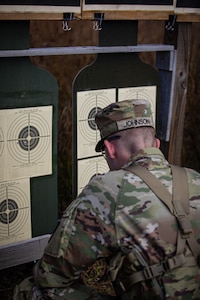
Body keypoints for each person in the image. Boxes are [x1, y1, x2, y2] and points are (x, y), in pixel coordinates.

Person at [14, 99, 200, 300]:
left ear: (110, 149)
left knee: (31, 291)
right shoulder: (194, 177)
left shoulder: (107, 189)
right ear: (156, 144)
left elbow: (50, 276)